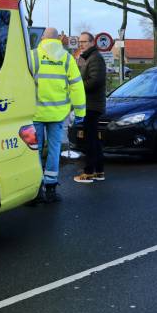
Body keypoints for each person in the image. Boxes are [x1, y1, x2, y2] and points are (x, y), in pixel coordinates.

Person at [30, 28, 86, 203]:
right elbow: (77, 87)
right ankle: (51, 188)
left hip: (35, 113)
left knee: (34, 152)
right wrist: (80, 112)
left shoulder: (33, 56)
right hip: (57, 114)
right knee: (54, 150)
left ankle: (35, 190)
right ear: (58, 40)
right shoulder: (67, 58)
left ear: (43, 39)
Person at [73, 32, 107, 184]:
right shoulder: (87, 58)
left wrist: (77, 88)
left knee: (90, 140)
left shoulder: (95, 58)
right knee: (93, 139)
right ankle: (99, 171)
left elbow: (95, 81)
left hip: (92, 105)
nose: (81, 44)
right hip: (90, 104)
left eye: (85, 41)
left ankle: (89, 172)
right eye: (80, 41)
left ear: (92, 42)